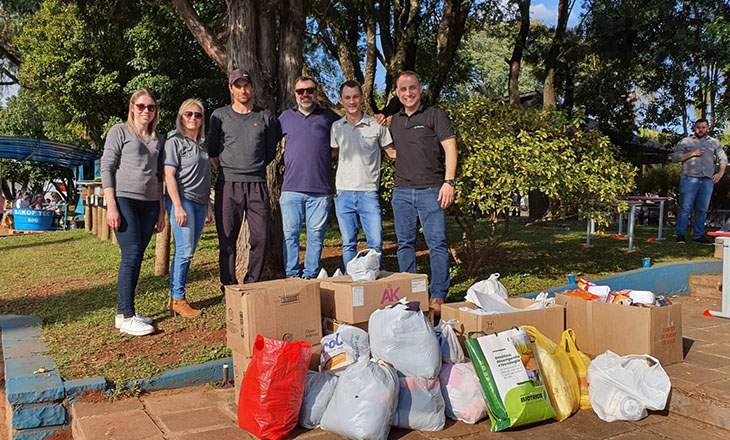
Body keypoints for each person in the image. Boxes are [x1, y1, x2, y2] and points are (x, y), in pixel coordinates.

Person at [388, 70, 458, 318]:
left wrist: (449, 182)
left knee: (436, 244)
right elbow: (393, 149)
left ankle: (438, 294)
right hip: (402, 192)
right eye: (403, 89)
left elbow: (450, 148)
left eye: (412, 88)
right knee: (405, 244)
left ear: (420, 88)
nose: (408, 93)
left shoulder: (434, 114)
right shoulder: (394, 120)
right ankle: (412, 292)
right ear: (397, 92)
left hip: (432, 191)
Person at [101, 88, 165, 336]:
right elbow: (106, 167)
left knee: (137, 256)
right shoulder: (119, 131)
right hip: (124, 199)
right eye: (141, 106)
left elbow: (159, 178)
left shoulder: (158, 139)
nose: (145, 111)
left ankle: (122, 312)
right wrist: (111, 204)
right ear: (132, 107)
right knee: (131, 254)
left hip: (150, 204)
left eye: (150, 107)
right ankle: (128, 317)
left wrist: (161, 210)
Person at [208, 69, 277, 295]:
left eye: (246, 85)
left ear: (252, 88)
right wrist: (231, 169)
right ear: (231, 89)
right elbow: (213, 151)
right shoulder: (219, 116)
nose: (243, 90)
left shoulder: (265, 116)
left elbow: (269, 152)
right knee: (227, 238)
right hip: (229, 184)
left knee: (261, 237)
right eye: (238, 86)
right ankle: (228, 287)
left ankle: (252, 283)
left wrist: (251, 168)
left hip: (257, 184)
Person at [277, 76, 340, 279]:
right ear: (294, 93)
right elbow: (265, 142)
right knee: (290, 235)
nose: (305, 94)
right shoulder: (285, 118)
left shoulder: (330, 118)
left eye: (309, 90)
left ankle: (310, 275)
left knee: (316, 235)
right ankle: (292, 275)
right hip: (291, 188)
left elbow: (348, 136)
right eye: (300, 91)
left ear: (316, 92)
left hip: (320, 189)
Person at [331, 80, 395, 270]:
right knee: (349, 243)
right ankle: (352, 284)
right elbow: (331, 155)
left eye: (355, 97)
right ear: (341, 100)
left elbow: (391, 153)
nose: (352, 101)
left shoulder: (377, 125)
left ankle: (371, 284)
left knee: (375, 243)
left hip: (368, 193)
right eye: (347, 98)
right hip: (343, 193)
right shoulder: (336, 127)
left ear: (362, 98)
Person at [164, 99, 214, 317]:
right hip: (182, 200)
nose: (193, 118)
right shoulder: (174, 142)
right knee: (184, 251)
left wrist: (209, 205)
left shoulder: (202, 145)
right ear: (181, 116)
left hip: (200, 202)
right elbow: (169, 175)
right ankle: (178, 298)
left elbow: (205, 177)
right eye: (189, 114)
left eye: (198, 115)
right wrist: (177, 206)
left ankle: (174, 296)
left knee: (188, 252)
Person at [672, 118, 727, 244]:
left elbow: (723, 159)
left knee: (702, 209)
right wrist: (692, 153)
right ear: (694, 128)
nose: (700, 130)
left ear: (707, 128)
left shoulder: (714, 142)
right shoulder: (686, 141)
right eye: (698, 127)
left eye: (703, 127)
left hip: (707, 180)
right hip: (689, 178)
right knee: (685, 208)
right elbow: (675, 158)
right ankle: (681, 236)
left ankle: (698, 236)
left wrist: (721, 173)